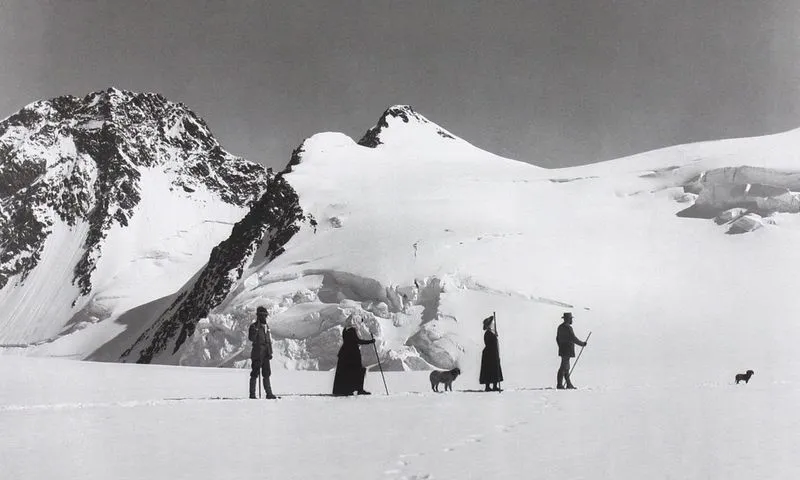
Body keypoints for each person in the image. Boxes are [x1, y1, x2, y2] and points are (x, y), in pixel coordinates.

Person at [332, 313, 375, 396]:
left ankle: (345, 389)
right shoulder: (352, 330)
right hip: (352, 355)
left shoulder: (345, 329)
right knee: (358, 371)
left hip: (345, 355)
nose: (360, 324)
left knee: (346, 373)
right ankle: (359, 389)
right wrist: (370, 341)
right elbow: (357, 341)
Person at [248, 306, 276, 399]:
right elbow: (251, 338)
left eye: (265, 315)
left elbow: (268, 341)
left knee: (267, 373)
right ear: (258, 316)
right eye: (263, 315)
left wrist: (270, 352)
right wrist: (256, 330)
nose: (265, 317)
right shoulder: (253, 326)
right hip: (257, 354)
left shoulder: (266, 327)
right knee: (255, 373)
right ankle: (252, 395)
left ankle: (269, 393)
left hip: (266, 354)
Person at [556, 312, 587, 389]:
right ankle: (560, 385)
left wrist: (560, 346)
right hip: (567, 349)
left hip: (563, 349)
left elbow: (557, 338)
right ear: (567, 319)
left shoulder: (560, 327)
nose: (571, 320)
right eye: (570, 319)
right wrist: (582, 344)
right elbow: (573, 338)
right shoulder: (568, 328)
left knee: (566, 367)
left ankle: (568, 384)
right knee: (564, 367)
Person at [479, 315, 503, 391]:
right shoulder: (488, 333)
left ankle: (494, 386)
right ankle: (488, 386)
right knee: (489, 369)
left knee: (494, 369)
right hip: (490, 354)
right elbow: (490, 344)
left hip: (492, 353)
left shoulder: (491, 333)